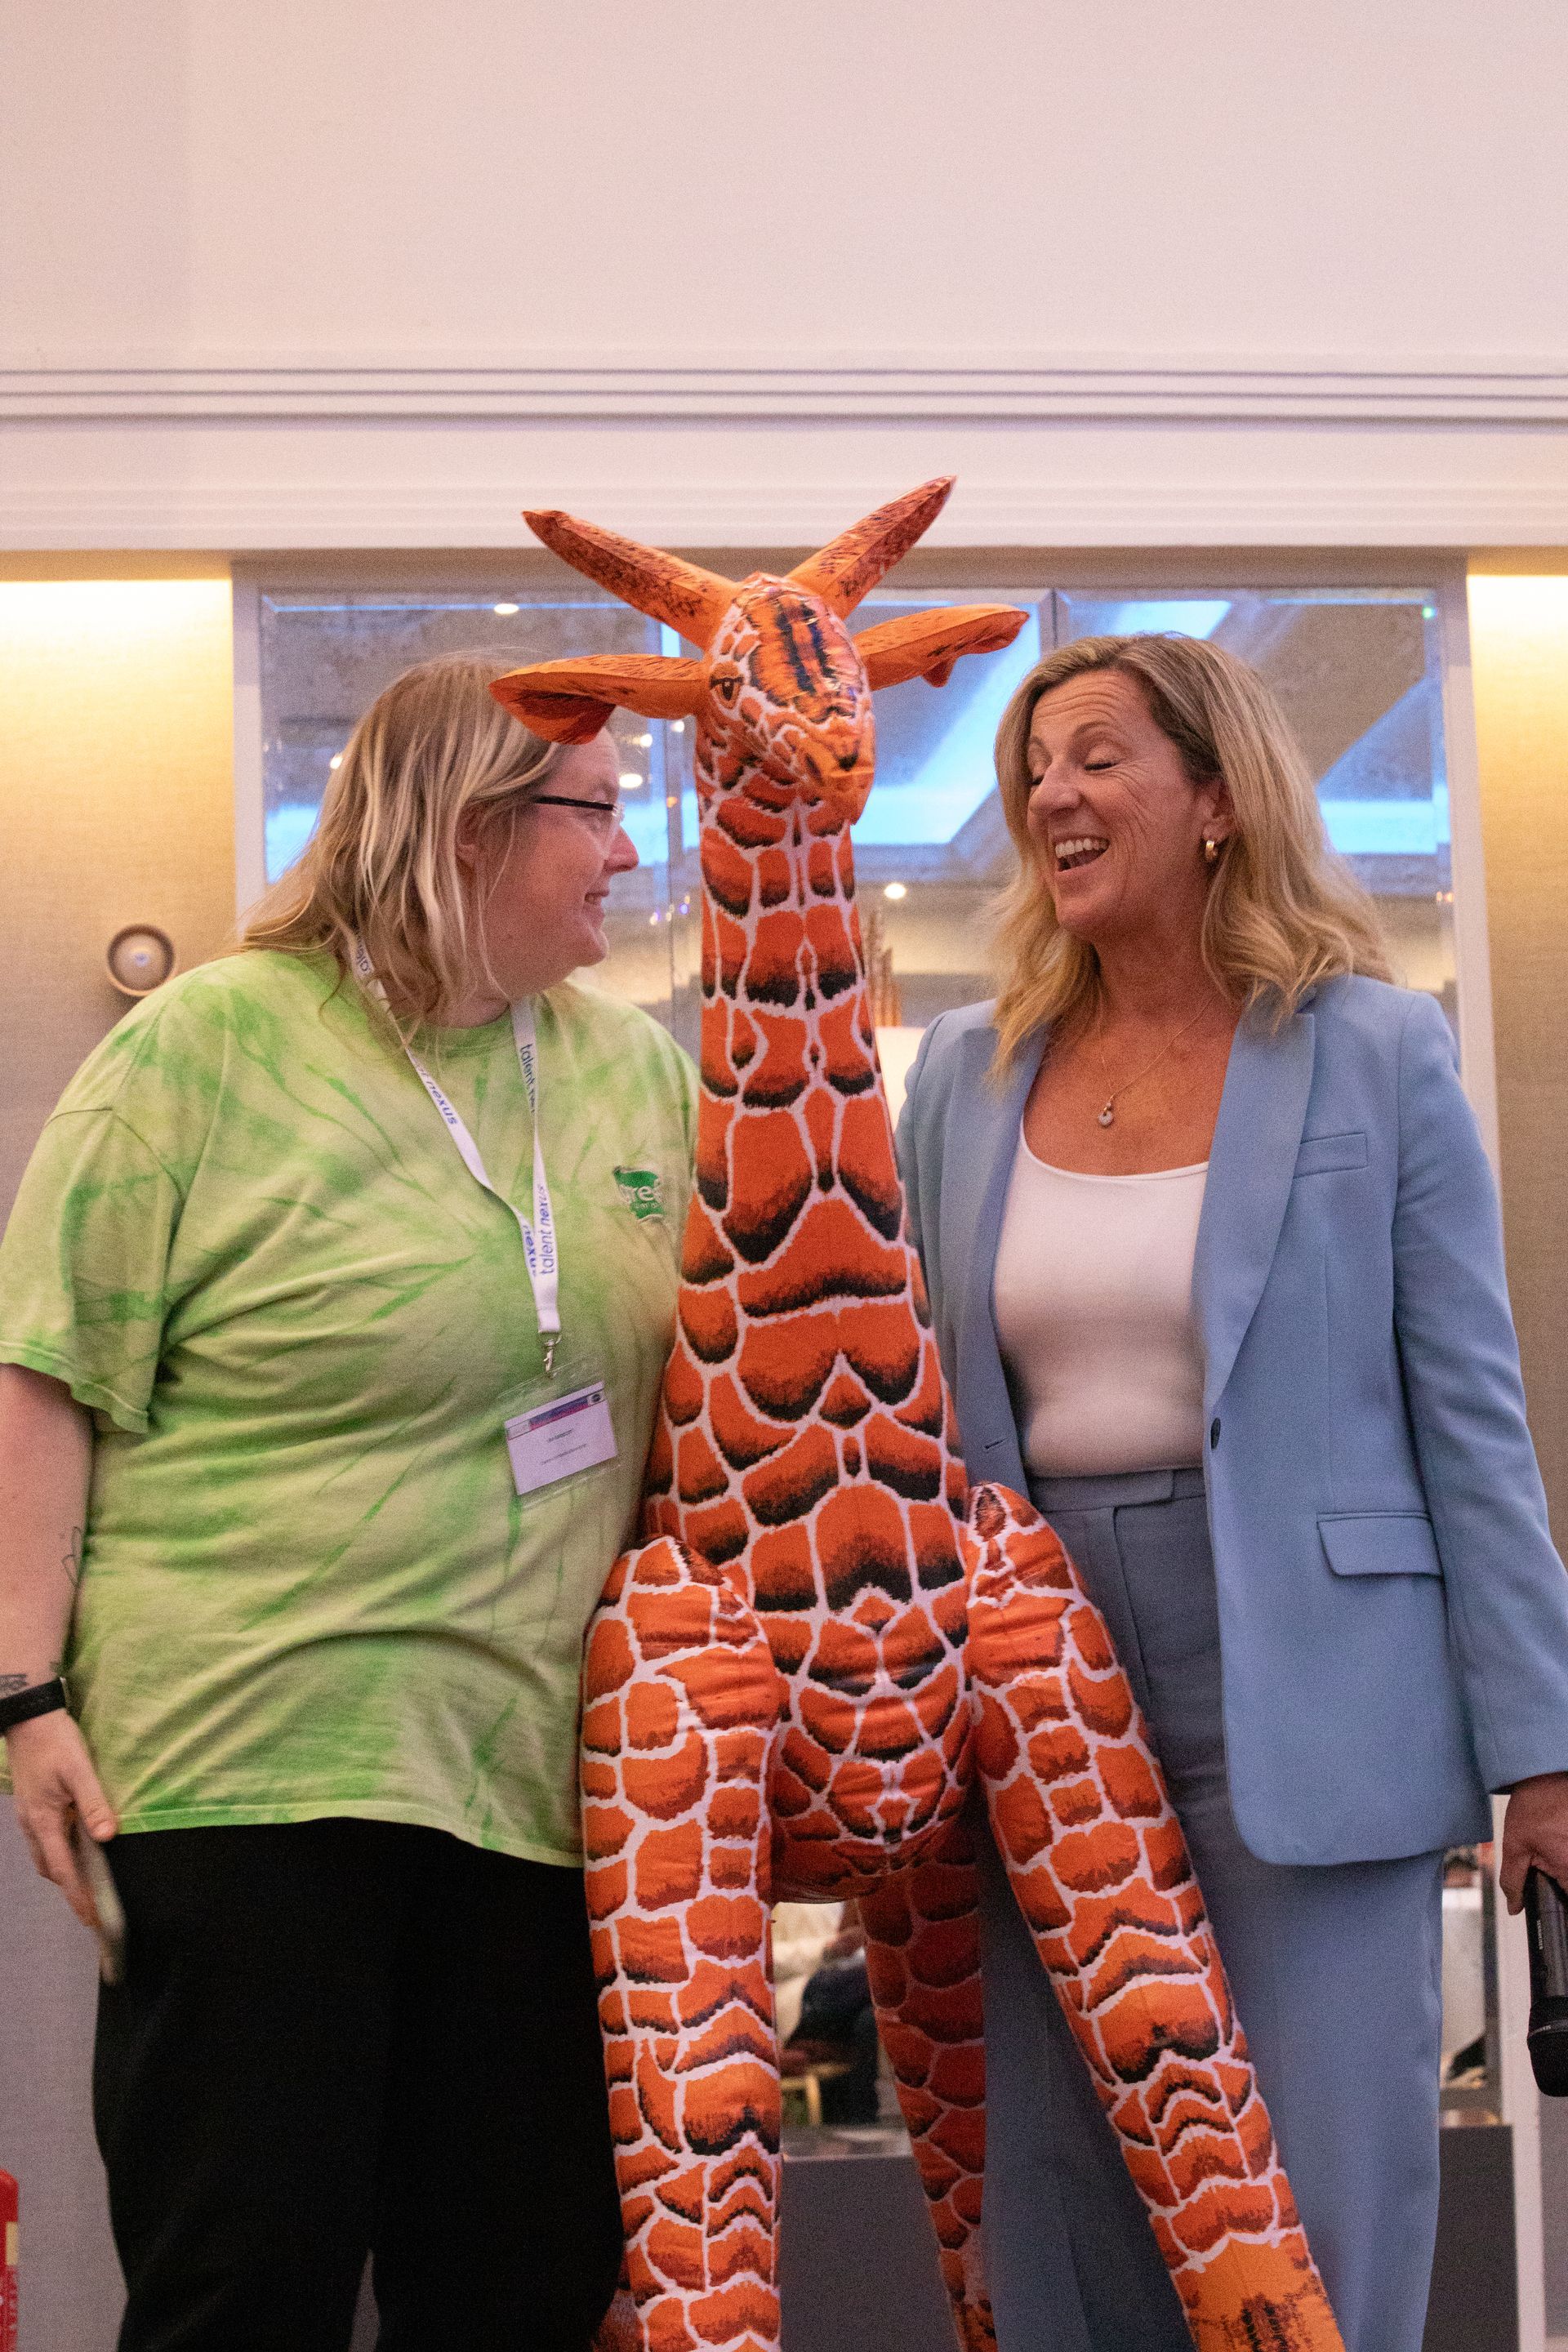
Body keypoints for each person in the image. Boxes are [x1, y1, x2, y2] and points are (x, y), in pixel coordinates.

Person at [0, 652, 697, 2352]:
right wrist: (24, 1689)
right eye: (598, 812)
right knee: (249, 2286)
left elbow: (700, 1411)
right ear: (467, 829)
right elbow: (45, 1370)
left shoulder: (634, 1077)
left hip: (542, 1789)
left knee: (523, 2293)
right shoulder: (205, 1047)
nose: (628, 854)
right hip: (250, 1765)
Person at [895, 632, 1568, 2352]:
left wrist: (1541, 1751)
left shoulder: (1370, 1051)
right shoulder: (965, 1078)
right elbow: (910, 1405)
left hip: (1316, 1679)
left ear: (1214, 799)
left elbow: (1470, 1416)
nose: (1053, 790)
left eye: (1100, 755)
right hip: (1027, 1677)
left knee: (1321, 2191)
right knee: (1060, 2198)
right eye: (1035, 764)